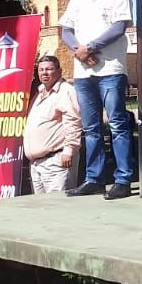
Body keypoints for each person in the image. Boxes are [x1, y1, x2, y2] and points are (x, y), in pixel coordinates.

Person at [60, 0, 136, 200]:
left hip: (110, 70)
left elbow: (118, 27)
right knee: (91, 128)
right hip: (83, 72)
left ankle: (123, 179)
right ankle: (94, 178)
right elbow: (66, 30)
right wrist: (79, 52)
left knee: (117, 124)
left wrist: (89, 48)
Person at [24, 56, 81, 194]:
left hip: (57, 161)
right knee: (42, 210)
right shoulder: (39, 93)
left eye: (49, 69)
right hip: (36, 165)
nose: (44, 73)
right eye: (41, 69)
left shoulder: (65, 91)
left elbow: (74, 122)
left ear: (59, 71)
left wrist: (69, 150)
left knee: (59, 208)